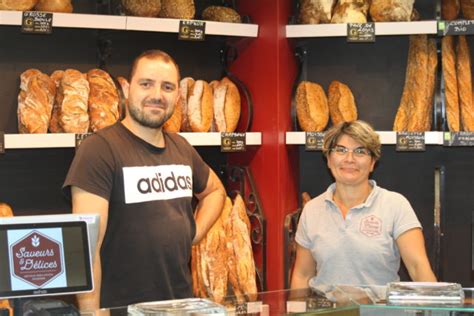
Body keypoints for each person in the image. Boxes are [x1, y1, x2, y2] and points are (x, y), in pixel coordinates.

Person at [63, 50, 226, 309]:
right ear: (127, 89)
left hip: (179, 307)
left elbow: (215, 191)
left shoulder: (182, 148)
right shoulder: (99, 150)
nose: (157, 95)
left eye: (168, 87)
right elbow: (85, 249)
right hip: (122, 310)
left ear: (177, 97)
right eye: (146, 84)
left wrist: (192, 233)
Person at [291, 120, 436, 290]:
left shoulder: (395, 205)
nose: (349, 159)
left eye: (360, 151)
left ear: (372, 162)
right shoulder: (312, 210)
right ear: (329, 159)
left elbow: (418, 269)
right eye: (341, 150)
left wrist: (437, 307)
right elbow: (303, 275)